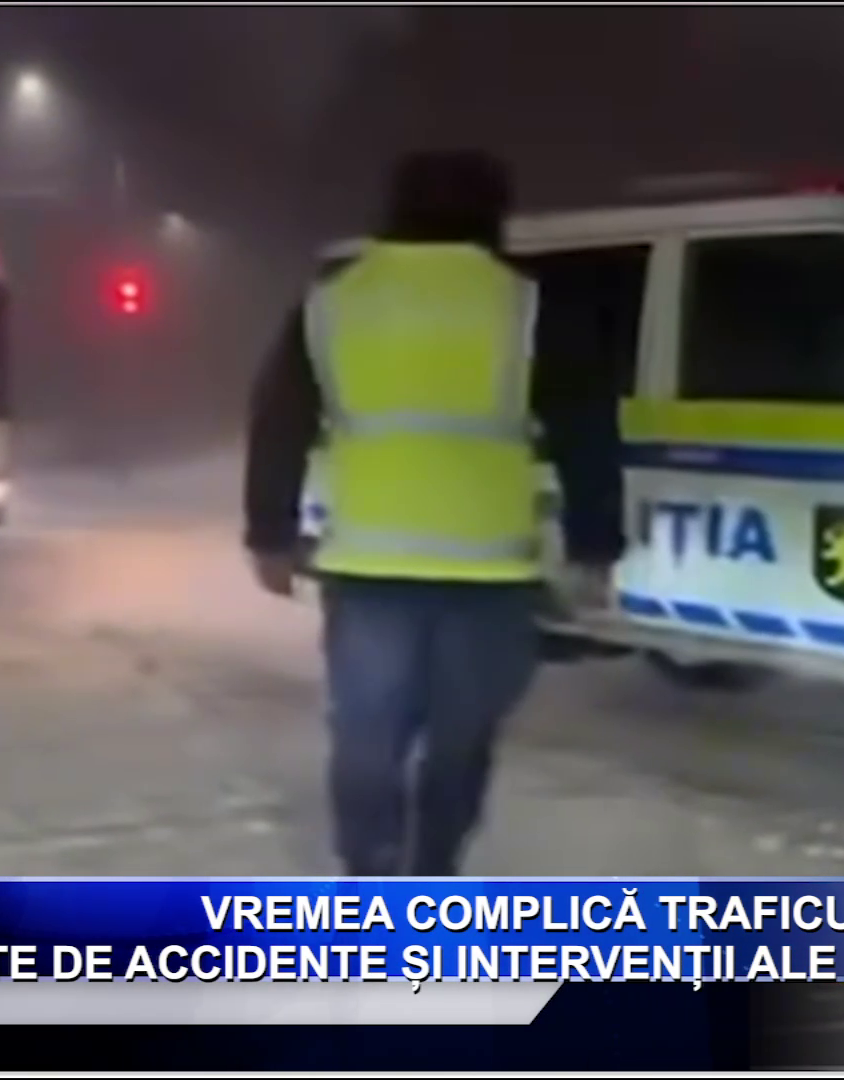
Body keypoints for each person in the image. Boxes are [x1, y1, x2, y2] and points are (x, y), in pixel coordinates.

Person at [241, 149, 626, 877]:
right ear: (494, 213)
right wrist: (594, 546)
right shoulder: (526, 303)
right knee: (461, 741)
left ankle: (371, 873)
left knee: (366, 738)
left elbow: (277, 422)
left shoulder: (335, 300)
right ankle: (435, 872)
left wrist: (270, 534)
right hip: (490, 572)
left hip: (369, 570)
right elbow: (587, 429)